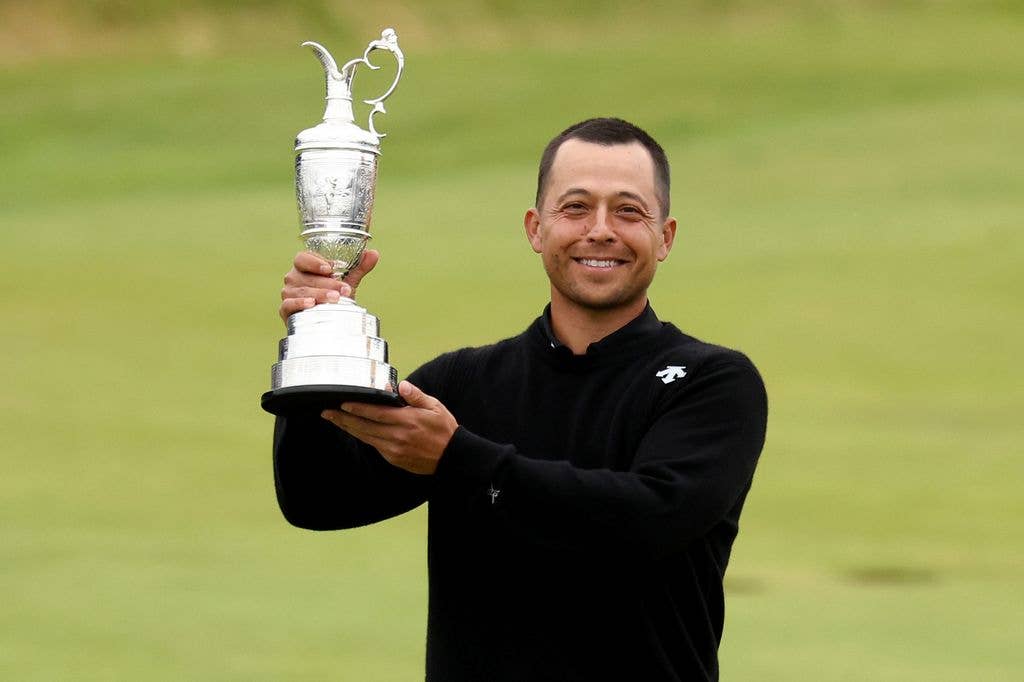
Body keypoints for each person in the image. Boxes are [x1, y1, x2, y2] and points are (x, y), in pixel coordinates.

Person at [273, 117, 768, 681]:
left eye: (629, 211)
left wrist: (457, 459)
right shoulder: (464, 384)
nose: (601, 230)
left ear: (666, 236)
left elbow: (649, 520)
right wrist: (312, 341)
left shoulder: (712, 382)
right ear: (535, 229)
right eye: (575, 207)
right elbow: (317, 499)